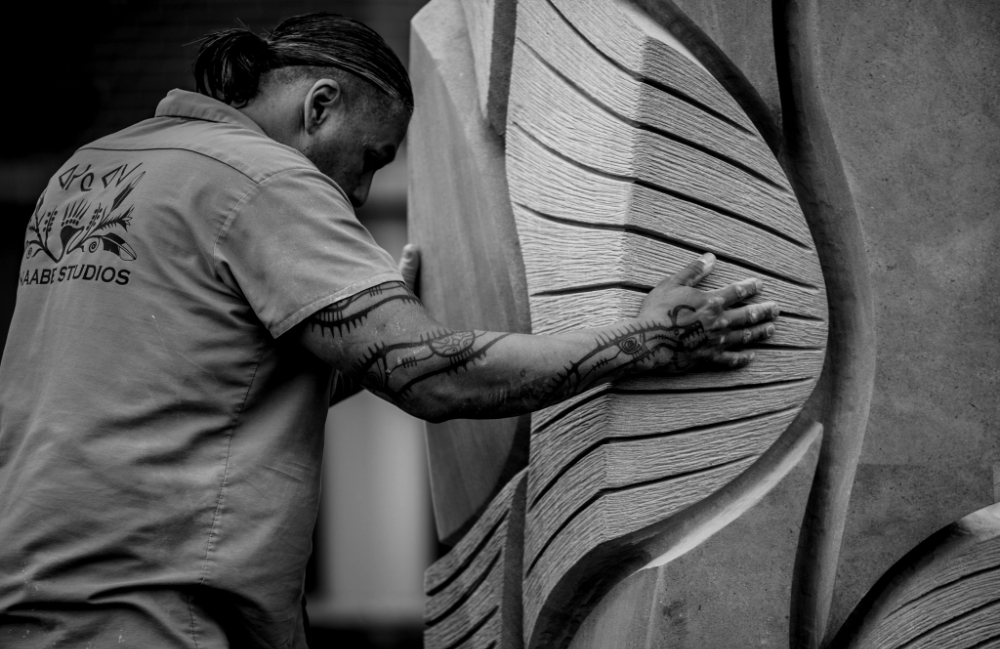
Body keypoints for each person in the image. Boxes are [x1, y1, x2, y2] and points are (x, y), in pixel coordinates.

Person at [0, 12, 778, 649]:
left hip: (40, 591)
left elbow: (192, 380)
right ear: (319, 106)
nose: (364, 188)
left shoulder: (97, 167)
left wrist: (345, 338)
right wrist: (645, 338)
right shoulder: (267, 179)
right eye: (371, 157)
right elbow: (437, 378)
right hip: (157, 609)